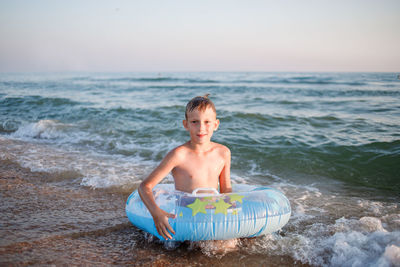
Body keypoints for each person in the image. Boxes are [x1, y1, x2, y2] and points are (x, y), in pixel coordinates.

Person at [138, 94, 232, 241]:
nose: (201, 127)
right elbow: (145, 187)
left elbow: (226, 190)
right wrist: (157, 213)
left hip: (211, 210)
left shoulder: (223, 153)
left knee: (228, 246)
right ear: (186, 124)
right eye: (195, 121)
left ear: (216, 124)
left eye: (207, 122)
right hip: (185, 214)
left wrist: (233, 211)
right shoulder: (178, 155)